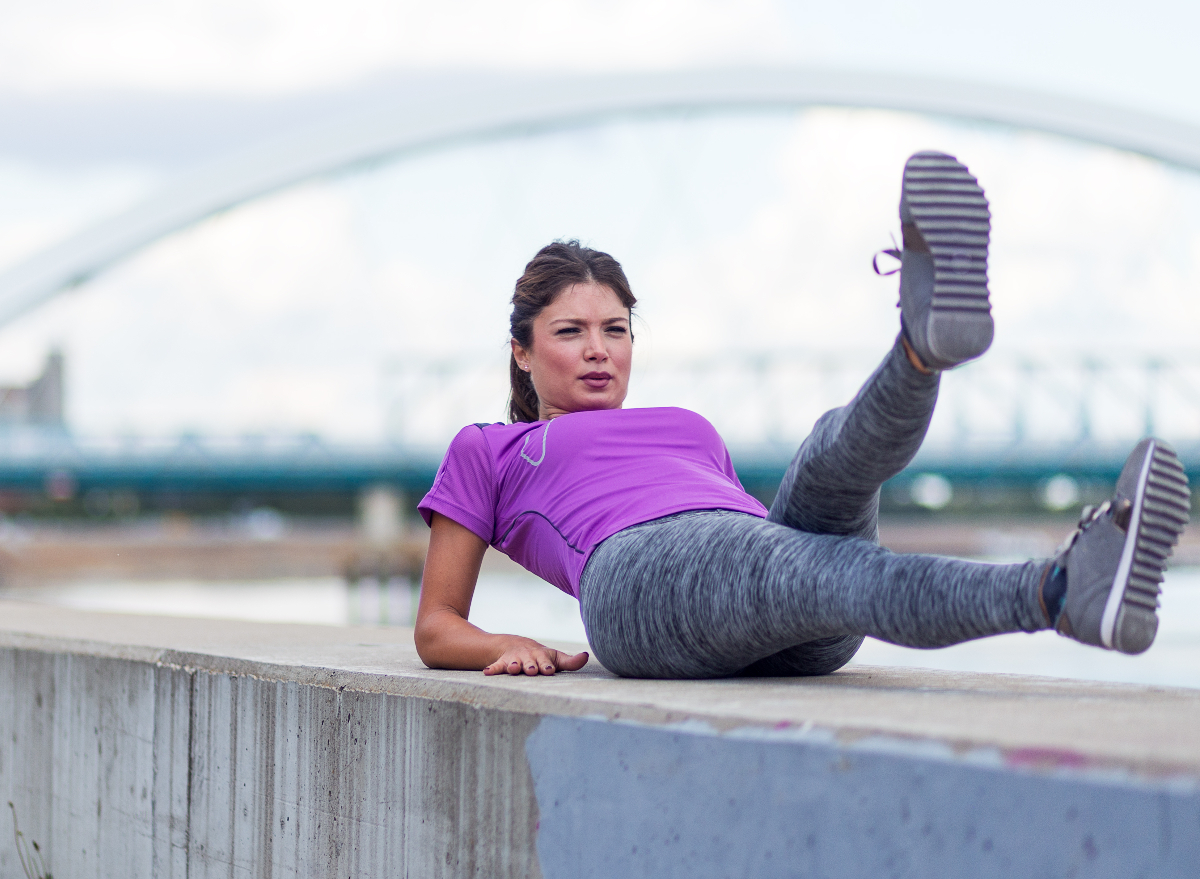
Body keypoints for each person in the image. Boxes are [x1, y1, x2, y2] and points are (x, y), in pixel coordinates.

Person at [413, 150, 1191, 680]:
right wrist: (507, 642)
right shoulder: (492, 448)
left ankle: (921, 346)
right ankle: (1058, 593)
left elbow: (753, 533)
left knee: (827, 454)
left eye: (615, 329)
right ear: (522, 351)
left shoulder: (691, 429)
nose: (599, 350)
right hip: (637, 584)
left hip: (769, 588)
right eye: (570, 332)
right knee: (824, 566)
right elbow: (436, 623)